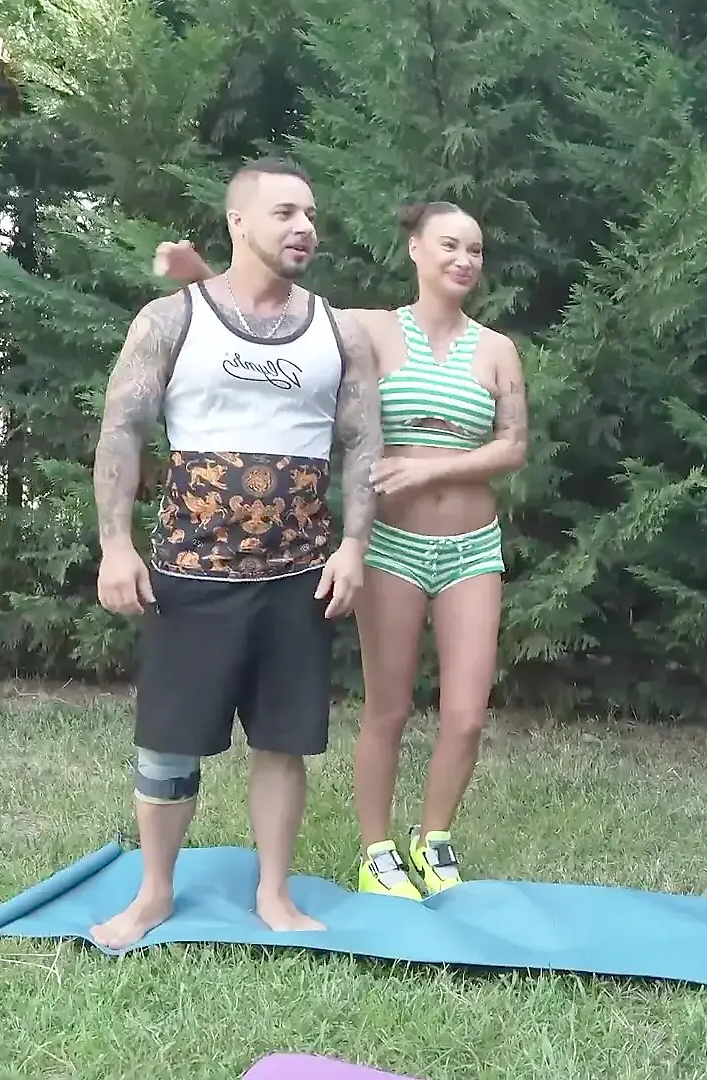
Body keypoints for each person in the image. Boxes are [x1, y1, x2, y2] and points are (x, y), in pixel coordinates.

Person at [152, 199, 529, 901]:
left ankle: (435, 840)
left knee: (466, 715)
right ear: (415, 249)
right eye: (449, 245)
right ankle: (377, 849)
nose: (464, 260)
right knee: (388, 708)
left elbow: (512, 446)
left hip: (473, 549)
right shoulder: (369, 330)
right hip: (391, 546)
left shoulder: (496, 349)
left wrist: (433, 470)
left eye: (475, 250)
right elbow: (276, 322)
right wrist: (199, 276)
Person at [90, 156, 383, 948]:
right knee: (167, 741)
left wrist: (354, 546)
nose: (305, 227)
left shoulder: (339, 331)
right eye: (286, 212)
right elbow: (122, 430)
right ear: (239, 221)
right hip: (188, 572)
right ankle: (154, 893)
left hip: (300, 575)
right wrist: (116, 545)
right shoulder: (171, 319)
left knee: (284, 743)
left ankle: (274, 893)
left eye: (312, 214)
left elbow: (364, 444)